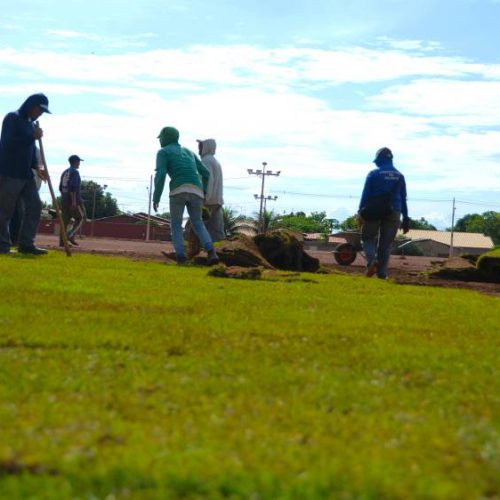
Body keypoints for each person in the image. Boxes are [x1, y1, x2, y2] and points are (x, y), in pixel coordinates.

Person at [153, 126, 219, 265]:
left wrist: (156, 197)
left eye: (161, 138)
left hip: (178, 190)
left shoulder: (163, 152)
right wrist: (204, 192)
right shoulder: (189, 152)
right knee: (198, 223)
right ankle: (211, 252)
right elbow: (205, 173)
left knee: (176, 225)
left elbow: (160, 175)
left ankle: (181, 257)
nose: (160, 141)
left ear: (165, 138)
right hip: (197, 190)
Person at [0, 93, 50, 255]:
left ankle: (26, 244)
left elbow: (28, 152)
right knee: (5, 211)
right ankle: (2, 246)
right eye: (40, 110)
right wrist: (31, 136)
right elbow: (7, 143)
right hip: (9, 172)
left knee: (35, 206)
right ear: (31, 105)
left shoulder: (30, 124)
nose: (40, 113)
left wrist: (38, 167)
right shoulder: (12, 118)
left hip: (26, 174)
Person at [357, 147, 409, 279]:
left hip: (374, 210)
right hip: (395, 211)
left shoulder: (373, 174)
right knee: (385, 245)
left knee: (367, 238)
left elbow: (365, 194)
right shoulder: (400, 176)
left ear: (379, 160)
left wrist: (360, 212)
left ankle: (372, 261)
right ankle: (382, 274)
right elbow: (403, 198)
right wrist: (406, 218)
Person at [9, 146, 45, 245]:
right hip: (14, 180)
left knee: (30, 208)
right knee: (14, 211)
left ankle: (21, 241)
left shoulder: (35, 149)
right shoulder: (14, 142)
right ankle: (13, 239)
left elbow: (40, 165)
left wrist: (41, 170)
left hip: (29, 181)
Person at [197, 138, 225, 242]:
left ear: (206, 148)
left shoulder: (205, 161)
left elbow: (208, 181)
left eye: (201, 147)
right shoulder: (215, 161)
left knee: (192, 228)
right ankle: (220, 252)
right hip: (216, 201)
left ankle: (184, 252)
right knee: (217, 232)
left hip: (207, 202)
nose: (199, 150)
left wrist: (203, 200)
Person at [59, 154, 86, 246]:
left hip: (64, 199)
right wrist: (74, 201)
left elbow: (60, 188)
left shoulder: (65, 172)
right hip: (72, 200)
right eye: (79, 162)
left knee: (65, 221)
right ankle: (70, 235)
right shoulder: (75, 172)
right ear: (75, 162)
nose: (79, 164)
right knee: (81, 217)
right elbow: (73, 187)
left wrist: (64, 198)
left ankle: (62, 242)